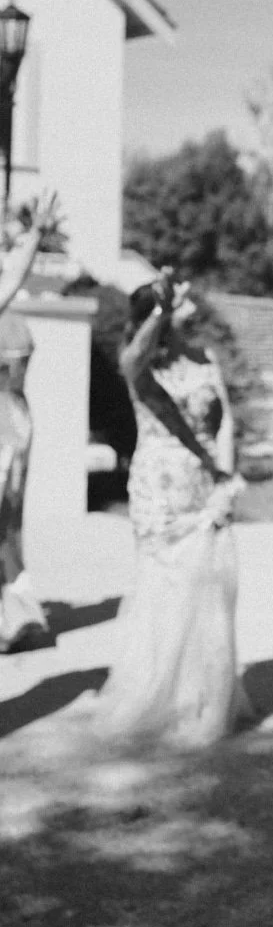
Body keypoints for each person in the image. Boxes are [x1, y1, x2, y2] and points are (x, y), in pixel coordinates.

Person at [92, 269, 248, 749]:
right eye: (174, 301)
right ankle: (157, 693)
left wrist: (225, 478)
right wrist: (159, 309)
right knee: (166, 589)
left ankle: (202, 697)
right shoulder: (141, 362)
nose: (187, 302)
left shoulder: (205, 357)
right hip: (159, 488)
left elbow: (224, 420)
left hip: (204, 486)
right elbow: (135, 356)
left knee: (209, 589)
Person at [0, 189, 61, 654]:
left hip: (10, 424)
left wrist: (36, 236)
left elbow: (13, 278)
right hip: (10, 423)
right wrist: (36, 236)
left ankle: (15, 616)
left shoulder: (12, 319)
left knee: (6, 522)